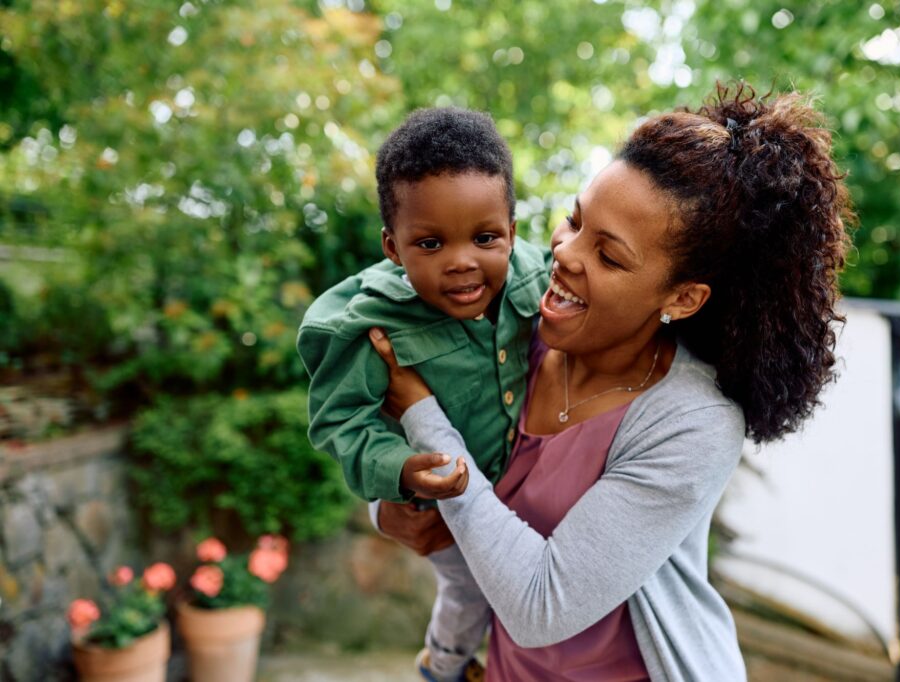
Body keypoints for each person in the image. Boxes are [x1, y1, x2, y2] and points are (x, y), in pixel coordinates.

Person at [368, 84, 854, 681]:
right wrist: (388, 509)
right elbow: (411, 461)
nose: (565, 254)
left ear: (683, 297)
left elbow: (538, 606)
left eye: (610, 256)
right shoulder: (518, 324)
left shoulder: (692, 422)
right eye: (574, 221)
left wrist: (420, 412)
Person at [296, 107, 549, 682]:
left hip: (517, 496)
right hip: (440, 502)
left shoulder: (538, 279)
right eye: (430, 243)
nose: (462, 261)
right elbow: (341, 423)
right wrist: (404, 470)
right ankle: (444, 665)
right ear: (393, 246)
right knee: (468, 589)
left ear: (512, 229)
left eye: (485, 238)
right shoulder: (370, 324)